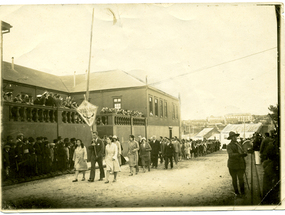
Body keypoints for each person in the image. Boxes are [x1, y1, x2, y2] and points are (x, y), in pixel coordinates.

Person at [226, 131, 247, 196]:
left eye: (235, 136)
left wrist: (244, 153)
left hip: (240, 164)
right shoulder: (229, 146)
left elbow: (242, 151)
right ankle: (236, 192)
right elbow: (231, 154)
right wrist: (240, 154)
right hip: (233, 165)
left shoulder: (239, 144)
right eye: (233, 137)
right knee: (234, 179)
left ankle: (242, 192)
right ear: (231, 138)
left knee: (241, 178)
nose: (235, 138)